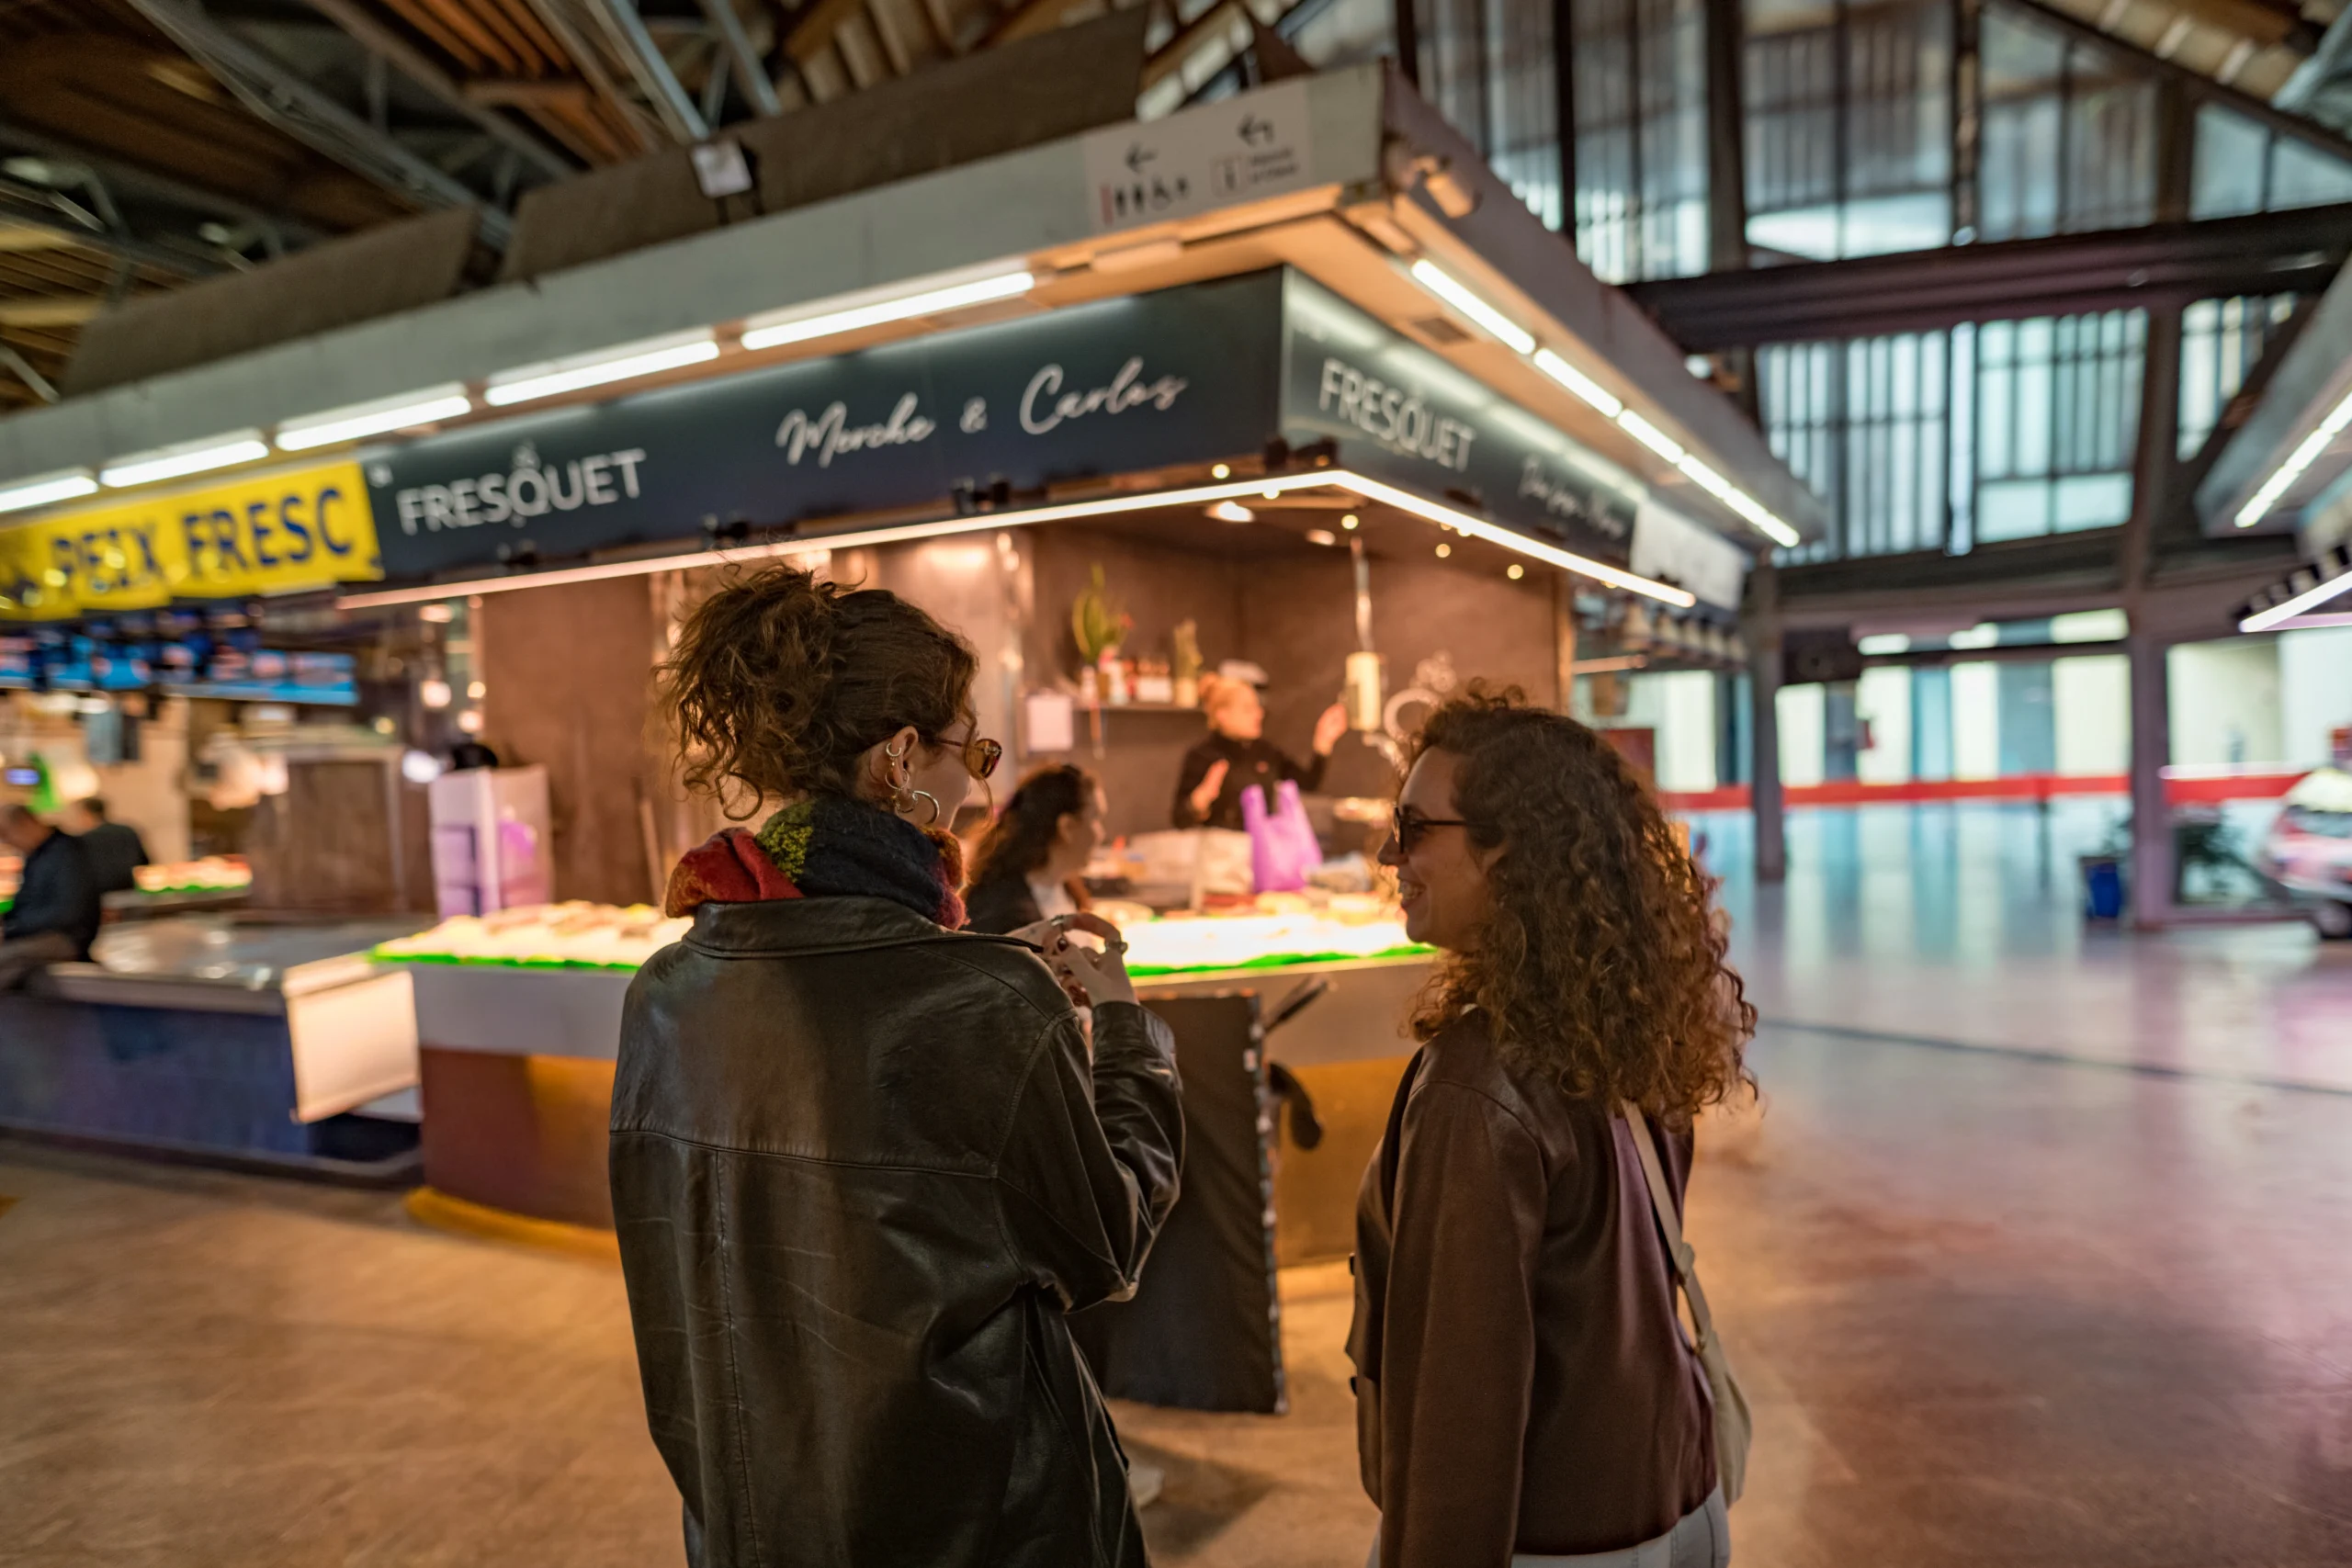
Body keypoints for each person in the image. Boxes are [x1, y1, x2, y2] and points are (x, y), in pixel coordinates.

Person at [609, 564, 1184, 1568]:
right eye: (976, 750)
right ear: (900, 759)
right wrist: (1126, 1031)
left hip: (753, 1522)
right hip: (981, 1527)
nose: (981, 788)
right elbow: (1107, 1243)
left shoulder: (664, 993)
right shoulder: (986, 1000)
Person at [1351, 688, 1754, 1568]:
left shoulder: (1476, 1084)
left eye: (1416, 827)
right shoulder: (1623, 1020)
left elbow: (1460, 1397)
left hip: (1554, 1535)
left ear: (1508, 854)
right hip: (1678, 1493)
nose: (1392, 854)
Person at [1170, 664, 1350, 830]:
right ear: (1222, 715)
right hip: (1219, 857)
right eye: (1248, 709)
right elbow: (1180, 820)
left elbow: (1308, 783)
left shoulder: (1265, 751)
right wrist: (1199, 800)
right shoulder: (1201, 755)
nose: (1259, 714)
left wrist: (1323, 743)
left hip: (1263, 850)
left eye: (1258, 707)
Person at [965, 763, 1105, 934]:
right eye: (1096, 819)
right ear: (1067, 827)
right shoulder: (1004, 914)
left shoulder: (1061, 884)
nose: (1101, 834)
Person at [0, 805, 101, 990]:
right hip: (36, 934)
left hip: (64, 938)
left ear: (26, 823)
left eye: (6, 833)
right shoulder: (36, 857)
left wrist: (13, 929)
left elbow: (68, 913)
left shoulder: (68, 852)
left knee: (5, 959)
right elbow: (23, 905)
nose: (7, 841)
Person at [61, 797, 149, 897]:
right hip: (131, 891)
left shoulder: (85, 840)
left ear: (86, 813)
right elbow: (144, 861)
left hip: (102, 897)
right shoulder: (128, 830)